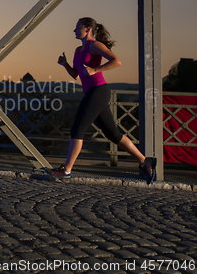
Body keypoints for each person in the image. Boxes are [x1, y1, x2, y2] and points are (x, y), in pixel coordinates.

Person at [46, 17, 157, 184]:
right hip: (92, 92)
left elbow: (116, 61)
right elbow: (77, 75)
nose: (74, 30)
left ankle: (66, 171)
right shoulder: (78, 50)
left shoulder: (94, 45)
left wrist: (96, 69)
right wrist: (65, 64)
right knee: (114, 135)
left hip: (99, 91)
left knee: (77, 128)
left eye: (78, 27)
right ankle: (145, 161)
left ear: (88, 29)